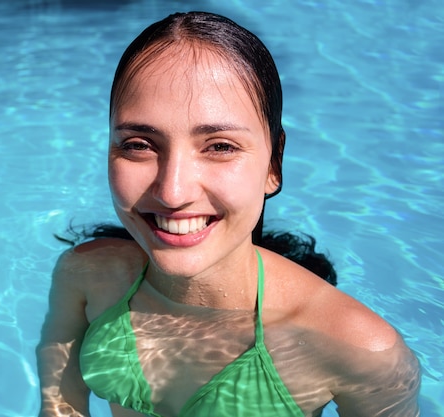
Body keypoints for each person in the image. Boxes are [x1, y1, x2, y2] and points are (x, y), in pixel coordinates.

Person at [36, 11, 420, 417]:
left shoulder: (360, 350)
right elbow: (61, 402)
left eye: (220, 146)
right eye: (139, 144)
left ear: (274, 164)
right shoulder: (88, 276)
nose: (173, 191)